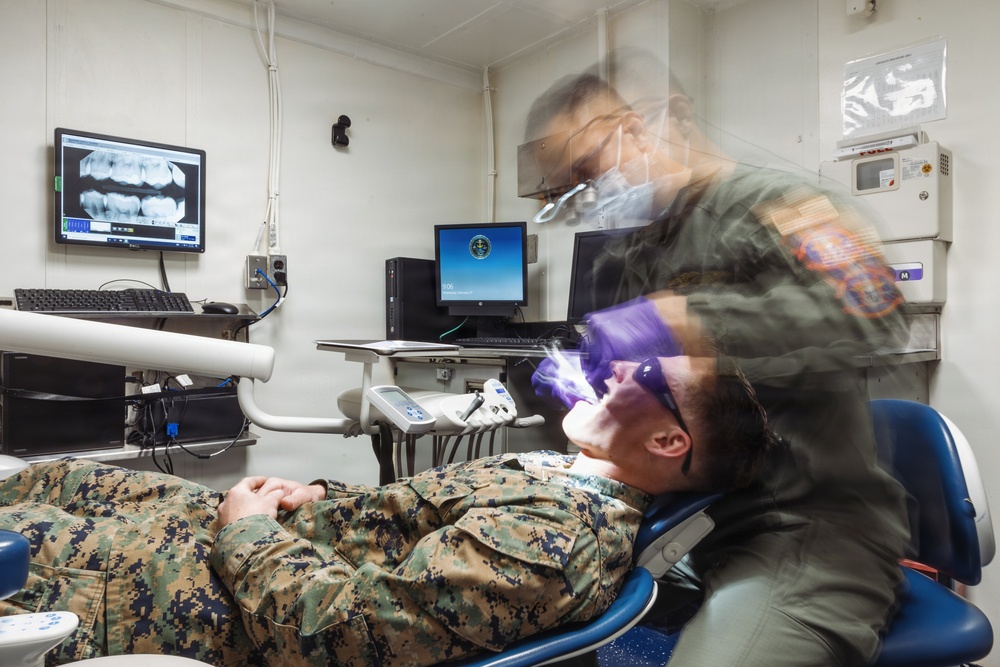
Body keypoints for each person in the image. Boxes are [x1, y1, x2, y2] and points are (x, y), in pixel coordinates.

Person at [0, 354, 772, 666]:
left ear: (668, 439)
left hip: (212, 598)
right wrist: (321, 496)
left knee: (23, 542)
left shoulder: (551, 542)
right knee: (55, 476)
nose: (616, 366)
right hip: (251, 537)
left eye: (644, 373)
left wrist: (250, 531)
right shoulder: (559, 473)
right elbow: (406, 514)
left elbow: (340, 628)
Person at [525, 58, 911, 667]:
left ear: (643, 128)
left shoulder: (777, 206)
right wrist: (589, 387)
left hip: (802, 527)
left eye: (588, 169)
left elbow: (874, 310)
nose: (589, 191)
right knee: (516, 607)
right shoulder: (630, 254)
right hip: (683, 522)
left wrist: (689, 321)